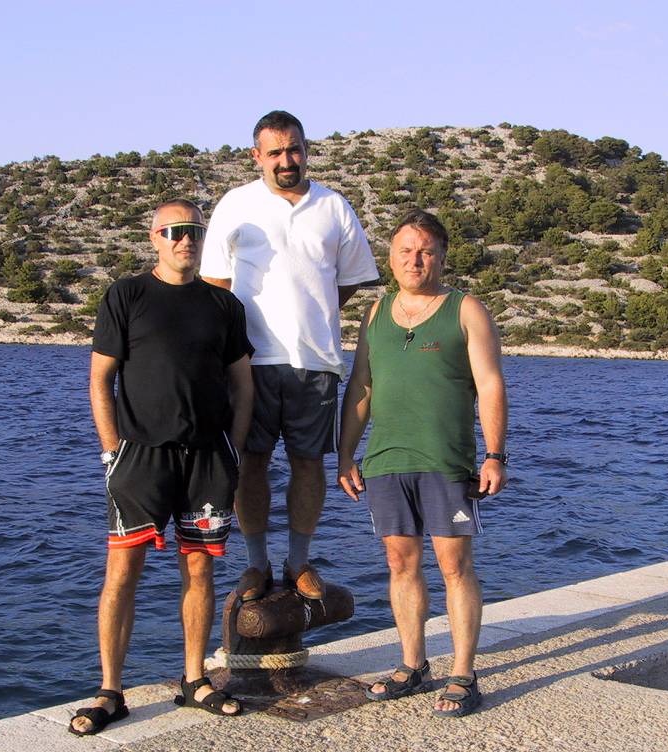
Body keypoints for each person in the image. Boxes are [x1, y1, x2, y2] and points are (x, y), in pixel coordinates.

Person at [70, 199, 254, 736]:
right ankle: (110, 691)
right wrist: (112, 452)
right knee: (122, 571)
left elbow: (243, 385)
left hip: (207, 458)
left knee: (199, 568)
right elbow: (100, 379)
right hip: (140, 457)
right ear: (154, 238)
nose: (185, 240)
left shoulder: (223, 305)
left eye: (193, 230)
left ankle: (195, 679)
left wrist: (235, 451)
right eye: (173, 231)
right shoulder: (126, 295)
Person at [201, 109, 380, 603]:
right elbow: (215, 284)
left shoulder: (334, 206)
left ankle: (298, 562)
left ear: (306, 150)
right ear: (256, 156)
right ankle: (256, 564)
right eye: (275, 152)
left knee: (308, 463)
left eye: (294, 149)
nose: (286, 160)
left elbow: (346, 283)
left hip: (314, 362)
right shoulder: (235, 204)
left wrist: (312, 313)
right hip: (248, 363)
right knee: (250, 463)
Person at [337, 209, 508, 717]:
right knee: (400, 563)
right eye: (406, 251)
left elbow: (490, 384)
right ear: (391, 258)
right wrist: (345, 453)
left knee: (455, 566)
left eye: (426, 251)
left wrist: (494, 454)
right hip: (386, 460)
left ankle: (463, 674)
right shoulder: (375, 313)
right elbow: (361, 386)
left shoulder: (466, 309)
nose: (415, 260)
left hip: (445, 460)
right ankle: (413, 665)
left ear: (442, 257)